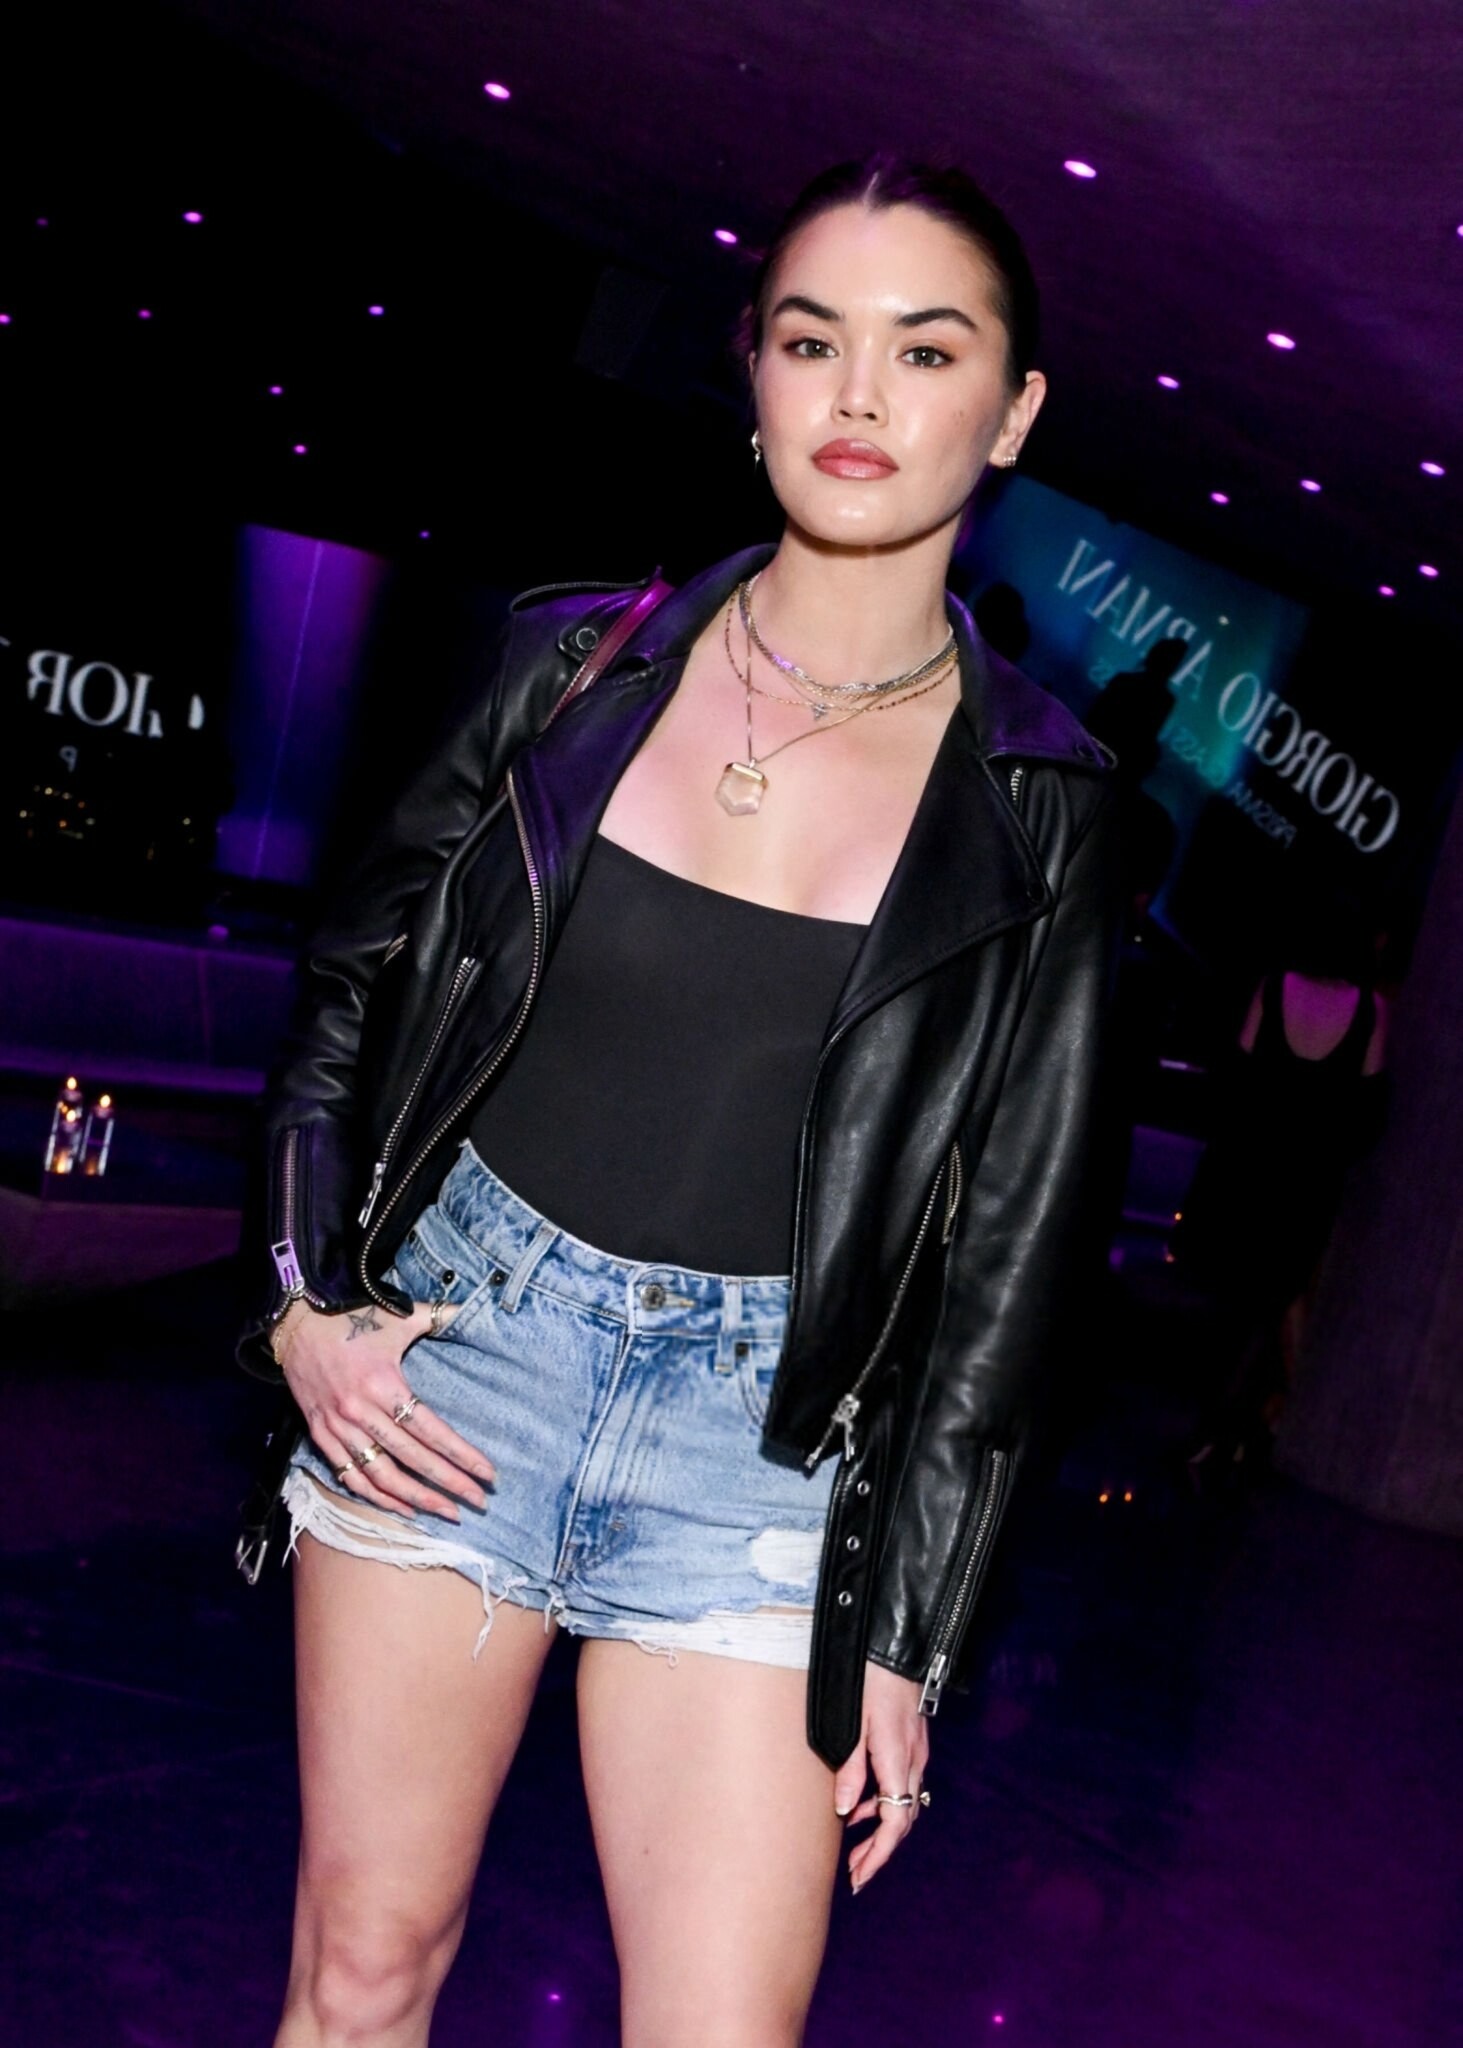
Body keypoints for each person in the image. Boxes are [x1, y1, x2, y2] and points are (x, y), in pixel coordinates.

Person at [238, 152, 1119, 2048]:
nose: (860, 394)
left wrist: (915, 1632)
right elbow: (349, 992)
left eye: (925, 351)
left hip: (768, 1457)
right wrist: (309, 1303)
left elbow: (1009, 1266)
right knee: (361, 1979)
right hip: (458, 1373)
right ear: (756, 377)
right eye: (812, 341)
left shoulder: (1046, 812)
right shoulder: (573, 669)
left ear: (1013, 413)